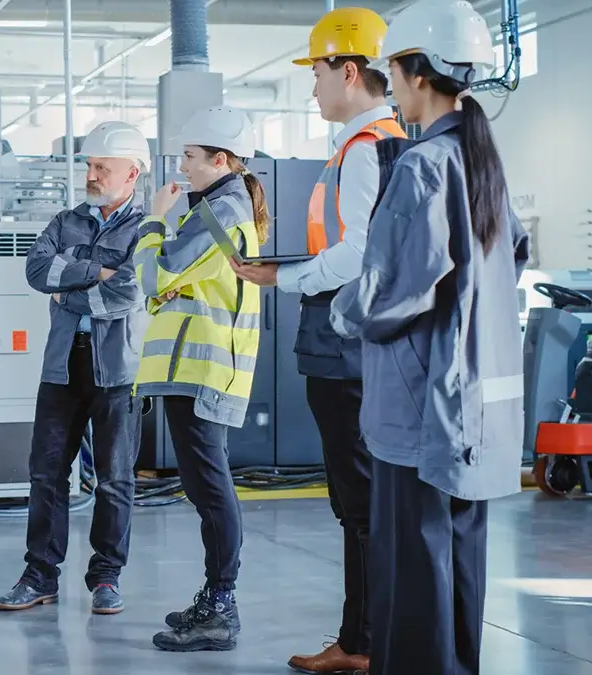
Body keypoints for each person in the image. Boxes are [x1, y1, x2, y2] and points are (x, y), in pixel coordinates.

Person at [328, 2, 530, 674]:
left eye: (393, 71)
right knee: (457, 562)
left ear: (417, 73)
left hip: (419, 409)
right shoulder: (482, 163)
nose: (392, 85)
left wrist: (339, 313)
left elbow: (391, 292)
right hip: (475, 406)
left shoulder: (423, 166)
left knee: (413, 574)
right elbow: (506, 262)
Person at [229, 7, 405, 673]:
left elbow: (357, 254)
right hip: (358, 342)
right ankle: (365, 637)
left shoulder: (365, 150)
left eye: (318, 72)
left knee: (359, 502)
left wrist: (282, 276)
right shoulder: (379, 143)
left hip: (346, 343)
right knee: (363, 500)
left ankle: (364, 643)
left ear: (349, 70)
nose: (313, 87)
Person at [0, 121, 151, 616]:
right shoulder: (66, 221)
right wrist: (99, 273)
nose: (92, 174)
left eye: (102, 166)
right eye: (89, 165)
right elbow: (37, 270)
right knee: (46, 474)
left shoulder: (147, 230)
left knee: (115, 480)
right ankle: (39, 575)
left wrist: (71, 292)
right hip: (61, 366)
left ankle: (106, 577)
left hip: (119, 372)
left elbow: (129, 291)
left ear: (132, 173)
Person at [132, 107, 268, 653]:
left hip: (203, 370)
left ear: (221, 160)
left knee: (211, 490)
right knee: (205, 487)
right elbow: (169, 284)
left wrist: (153, 220)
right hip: (196, 369)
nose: (182, 165)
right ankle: (215, 598)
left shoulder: (219, 214)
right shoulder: (215, 210)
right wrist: (166, 277)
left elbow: (156, 274)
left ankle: (221, 606)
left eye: (190, 156)